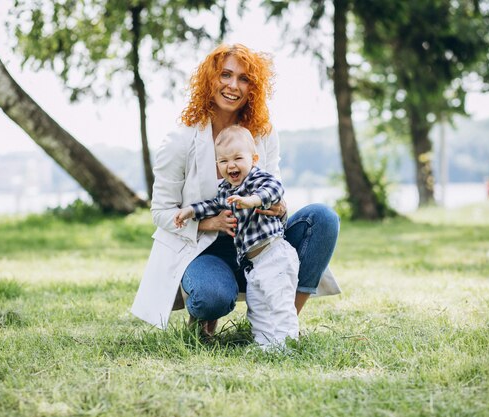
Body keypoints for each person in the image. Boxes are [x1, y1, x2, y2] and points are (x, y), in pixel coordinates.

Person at [131, 43, 341, 335]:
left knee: (323, 218)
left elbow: (272, 187)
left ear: (253, 88)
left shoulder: (263, 133)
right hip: (206, 251)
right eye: (225, 75)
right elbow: (161, 213)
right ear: (209, 80)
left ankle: (281, 325)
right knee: (211, 297)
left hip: (260, 247)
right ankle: (204, 320)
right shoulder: (180, 140)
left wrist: (279, 208)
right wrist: (210, 222)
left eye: (244, 79)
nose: (233, 85)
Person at [174, 125, 300, 347]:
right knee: (258, 306)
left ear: (254, 159)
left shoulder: (257, 179)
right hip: (253, 263)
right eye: (223, 161)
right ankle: (265, 344)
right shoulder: (227, 190)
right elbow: (213, 204)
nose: (231, 165)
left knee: (279, 301)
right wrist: (191, 211)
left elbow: (275, 189)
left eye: (237, 158)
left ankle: (286, 344)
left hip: (274, 255)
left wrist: (253, 200)